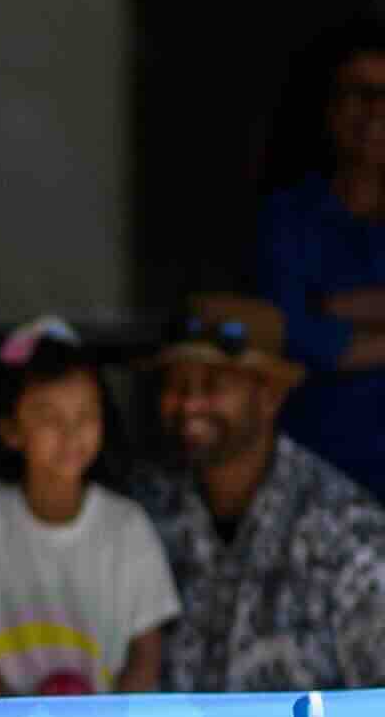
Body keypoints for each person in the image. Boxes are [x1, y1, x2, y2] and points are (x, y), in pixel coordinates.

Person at [133, 288, 385, 695]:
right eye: (178, 383)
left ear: (269, 395)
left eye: (213, 383)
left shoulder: (348, 531)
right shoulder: (139, 511)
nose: (190, 403)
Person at [0, 319, 174, 698]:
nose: (71, 433)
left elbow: (146, 651)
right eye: (49, 418)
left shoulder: (127, 528)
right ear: (10, 430)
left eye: (85, 415)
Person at [255, 25, 385, 499]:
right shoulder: (287, 218)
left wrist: (331, 305)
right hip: (313, 477)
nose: (375, 110)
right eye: (359, 93)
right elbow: (289, 335)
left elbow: (317, 331)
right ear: (329, 108)